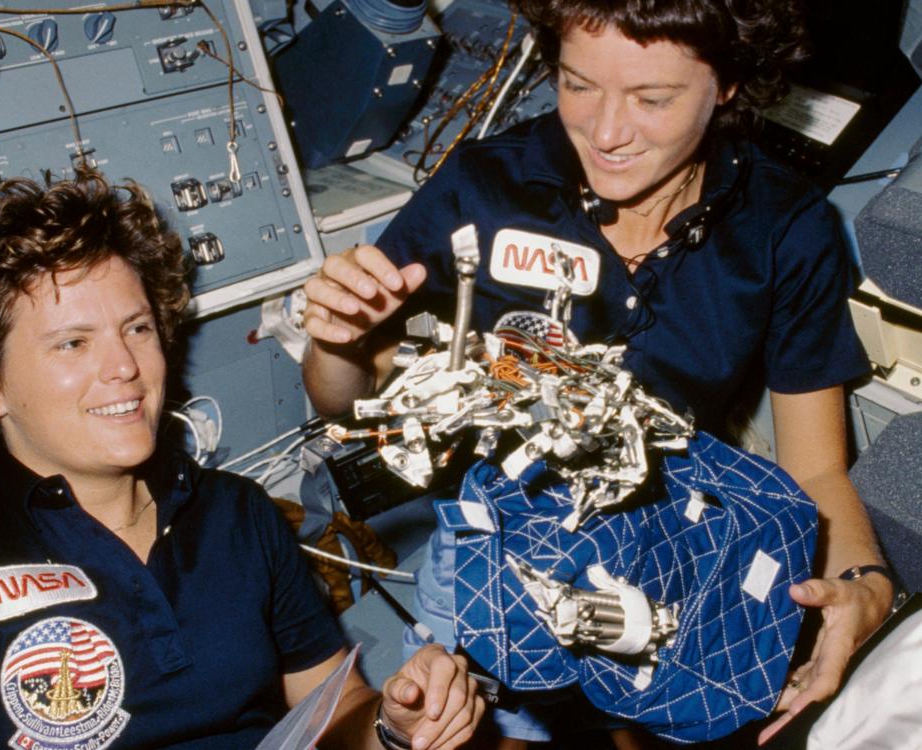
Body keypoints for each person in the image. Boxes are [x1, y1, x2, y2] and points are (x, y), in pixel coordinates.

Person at [300, 0, 896, 746]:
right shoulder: (486, 186)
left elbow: (815, 475)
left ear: (732, 83)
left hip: (674, 553)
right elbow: (345, 404)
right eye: (579, 85)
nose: (606, 132)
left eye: (653, 99)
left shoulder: (788, 228)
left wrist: (865, 588)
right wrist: (338, 344)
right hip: (500, 559)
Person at [0, 173, 484, 750]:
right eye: (74, 343)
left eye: (137, 328)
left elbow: (335, 707)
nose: (125, 366)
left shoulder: (235, 513)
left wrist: (396, 725)